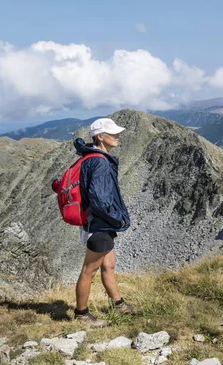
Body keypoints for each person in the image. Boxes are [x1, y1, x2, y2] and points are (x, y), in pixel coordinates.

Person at [72, 118, 140, 327]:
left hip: (99, 224)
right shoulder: (100, 162)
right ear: (100, 137)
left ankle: (118, 304)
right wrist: (117, 218)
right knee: (88, 270)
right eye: (113, 133)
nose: (118, 135)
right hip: (100, 225)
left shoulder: (92, 158)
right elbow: (99, 199)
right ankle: (81, 315)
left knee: (109, 265)